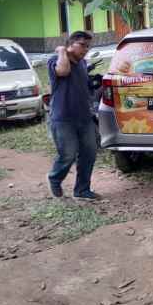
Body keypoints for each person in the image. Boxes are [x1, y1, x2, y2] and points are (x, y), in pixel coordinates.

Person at [47, 31, 100, 200]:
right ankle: (55, 179)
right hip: (63, 118)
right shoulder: (56, 60)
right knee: (68, 154)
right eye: (82, 45)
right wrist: (62, 51)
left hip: (84, 117)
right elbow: (62, 72)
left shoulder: (83, 63)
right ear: (71, 44)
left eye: (88, 46)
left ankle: (82, 190)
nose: (86, 49)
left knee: (89, 153)